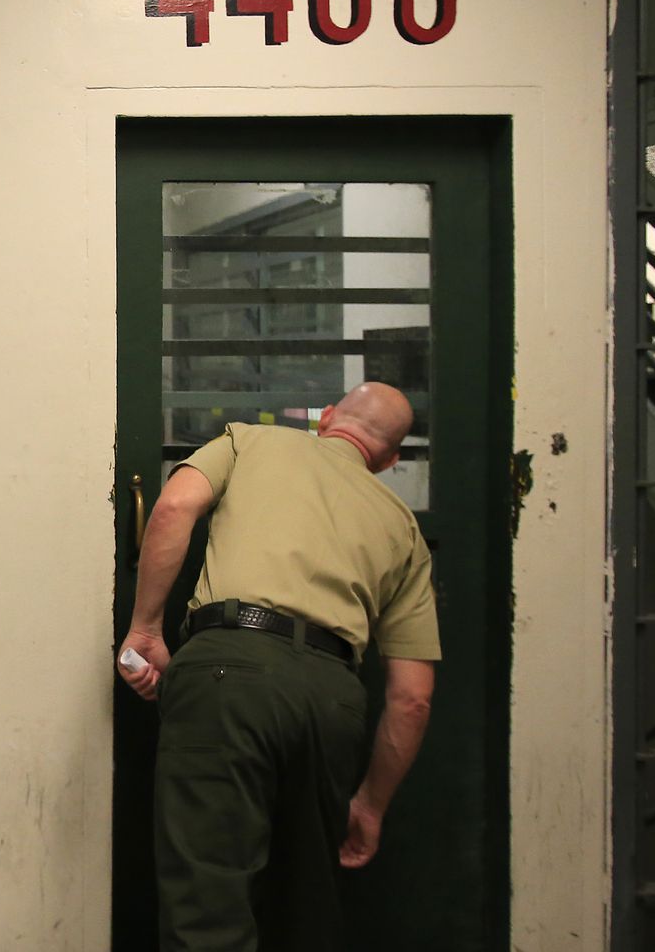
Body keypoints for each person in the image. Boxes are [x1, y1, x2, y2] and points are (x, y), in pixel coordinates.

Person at [116, 382, 440, 951]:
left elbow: (172, 507)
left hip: (227, 673)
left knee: (207, 906)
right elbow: (412, 698)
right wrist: (370, 805)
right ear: (390, 460)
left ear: (328, 417)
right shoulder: (403, 528)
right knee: (304, 912)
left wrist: (145, 629)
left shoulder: (249, 441)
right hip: (333, 698)